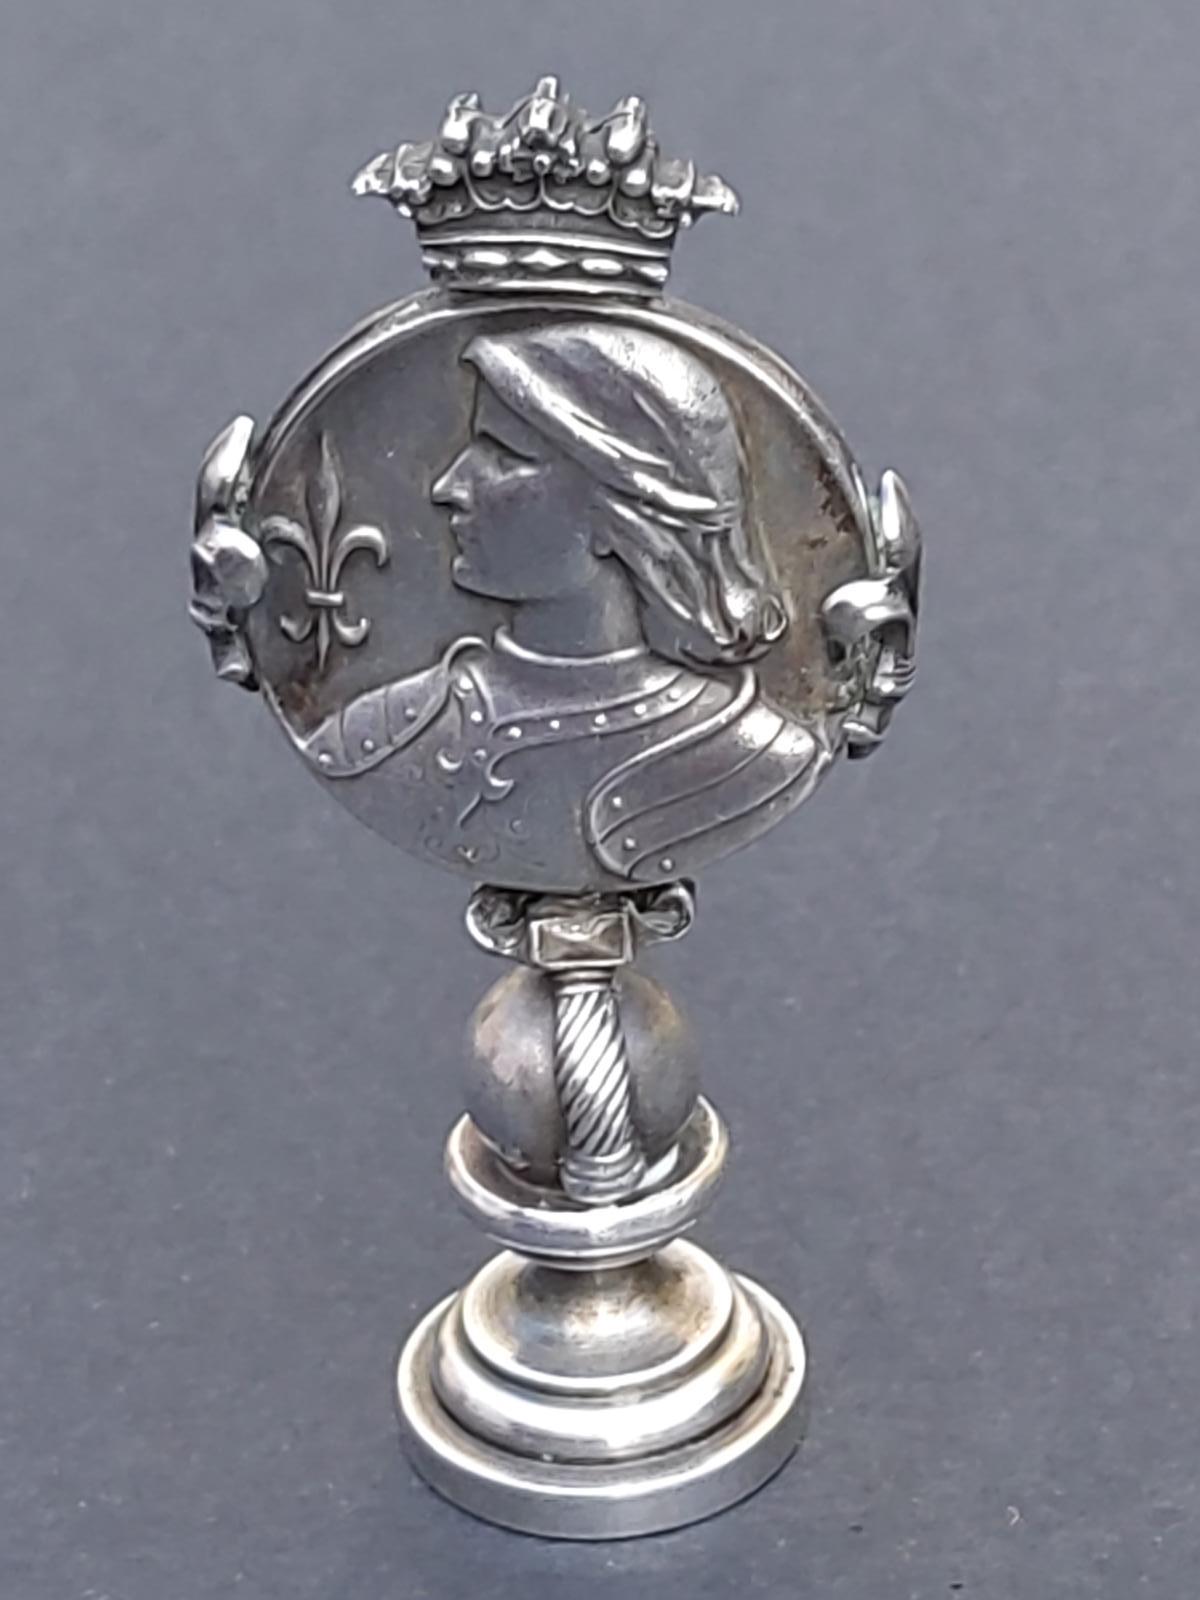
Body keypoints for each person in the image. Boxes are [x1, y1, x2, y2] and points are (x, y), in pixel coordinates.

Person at [299, 321, 830, 888]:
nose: (449, 486)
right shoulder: (380, 737)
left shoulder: (758, 756)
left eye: (502, 455)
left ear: (622, 510)